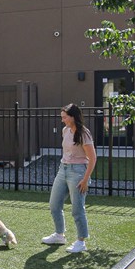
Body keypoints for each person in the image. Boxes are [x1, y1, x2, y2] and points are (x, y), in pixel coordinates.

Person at [42, 103, 97, 253]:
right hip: (63, 169)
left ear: (73, 117)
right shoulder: (65, 130)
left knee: (77, 209)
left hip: (78, 172)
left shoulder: (84, 133)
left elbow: (92, 158)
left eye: (65, 117)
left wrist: (85, 179)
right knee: (54, 204)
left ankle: (81, 241)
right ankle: (59, 235)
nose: (62, 120)